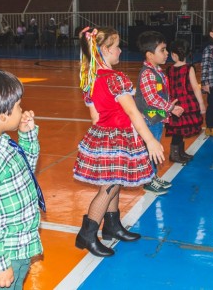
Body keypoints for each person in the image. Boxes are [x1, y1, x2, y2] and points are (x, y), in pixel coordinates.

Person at [73, 27, 165, 257]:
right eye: (117, 46)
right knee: (109, 187)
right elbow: (133, 112)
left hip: (104, 135)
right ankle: (87, 234)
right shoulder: (116, 79)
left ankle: (112, 226)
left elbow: (95, 117)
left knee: (116, 181)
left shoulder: (90, 78)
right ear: (105, 50)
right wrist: (151, 140)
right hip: (117, 137)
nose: (120, 50)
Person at [0, 68, 44, 289]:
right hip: (2, 254)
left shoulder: (2, 143)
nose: (22, 111)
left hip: (19, 246)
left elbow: (26, 169)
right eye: (18, 106)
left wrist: (27, 135)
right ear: (2, 115)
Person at [135, 31, 184, 194]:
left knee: (155, 148)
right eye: (162, 50)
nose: (167, 53)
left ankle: (152, 176)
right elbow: (152, 99)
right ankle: (148, 180)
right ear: (150, 55)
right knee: (151, 149)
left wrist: (168, 107)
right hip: (150, 119)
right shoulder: (148, 73)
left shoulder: (157, 71)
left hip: (157, 118)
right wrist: (170, 107)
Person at [165, 39, 205, 163]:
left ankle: (180, 152)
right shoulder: (189, 68)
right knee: (179, 131)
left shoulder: (169, 69)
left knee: (179, 130)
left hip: (175, 103)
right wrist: (201, 103)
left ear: (173, 54)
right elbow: (195, 87)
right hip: (186, 103)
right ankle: (175, 154)